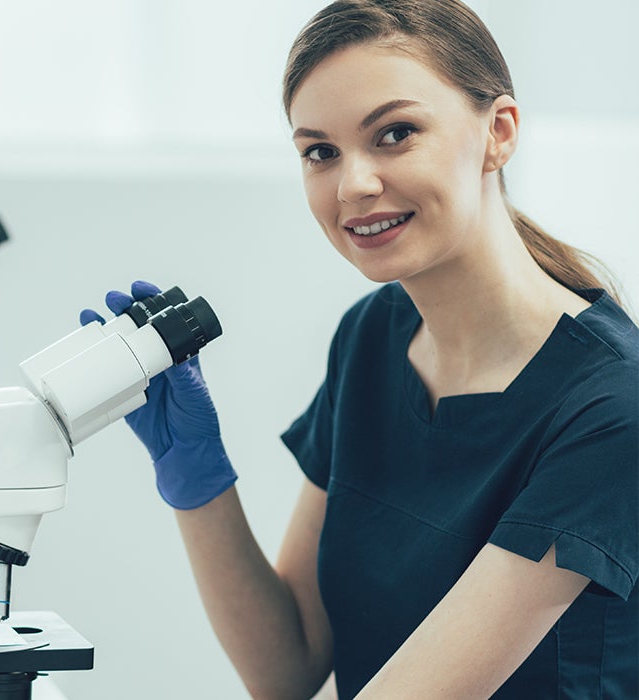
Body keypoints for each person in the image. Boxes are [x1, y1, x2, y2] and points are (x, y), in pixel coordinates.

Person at [82, 1, 638, 697]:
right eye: (321, 151)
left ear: (498, 132)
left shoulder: (610, 409)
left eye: (395, 134)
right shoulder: (373, 337)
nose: (353, 185)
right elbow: (287, 668)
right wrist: (197, 479)